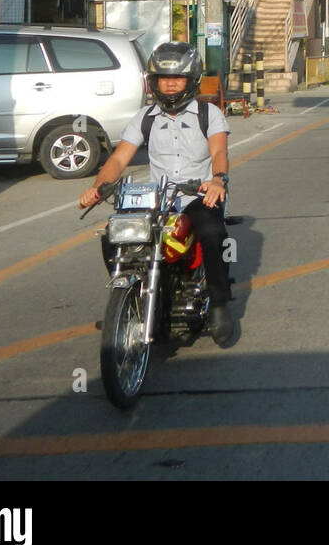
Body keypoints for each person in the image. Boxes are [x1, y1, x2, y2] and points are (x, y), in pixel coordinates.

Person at [78, 41, 235, 345]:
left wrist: (218, 180)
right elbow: (119, 159)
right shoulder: (145, 117)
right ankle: (127, 301)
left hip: (197, 195)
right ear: (154, 81)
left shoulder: (209, 114)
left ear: (191, 81)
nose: (171, 83)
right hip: (158, 199)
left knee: (213, 233)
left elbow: (219, 152)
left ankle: (219, 304)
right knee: (114, 237)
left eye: (177, 78)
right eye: (164, 77)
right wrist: (98, 187)